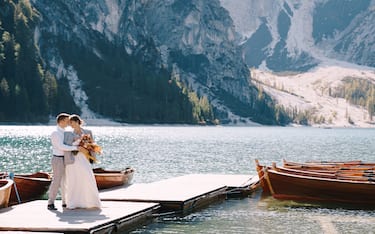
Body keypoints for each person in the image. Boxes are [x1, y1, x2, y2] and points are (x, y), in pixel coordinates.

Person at [64, 114, 101, 209]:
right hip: (74, 159)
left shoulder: (88, 132)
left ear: (77, 122)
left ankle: (91, 202)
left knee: (87, 177)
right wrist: (77, 148)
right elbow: (66, 147)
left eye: (71, 122)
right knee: (74, 179)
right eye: (69, 123)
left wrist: (88, 149)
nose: (70, 125)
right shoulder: (68, 134)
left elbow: (92, 145)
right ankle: (74, 203)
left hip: (85, 158)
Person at [47, 113, 80, 210]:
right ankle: (50, 202)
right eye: (67, 121)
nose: (69, 123)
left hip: (65, 159)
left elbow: (68, 143)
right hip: (58, 159)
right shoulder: (55, 133)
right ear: (61, 121)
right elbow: (61, 146)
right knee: (56, 181)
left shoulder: (64, 132)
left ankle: (65, 202)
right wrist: (75, 148)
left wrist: (79, 142)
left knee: (65, 181)